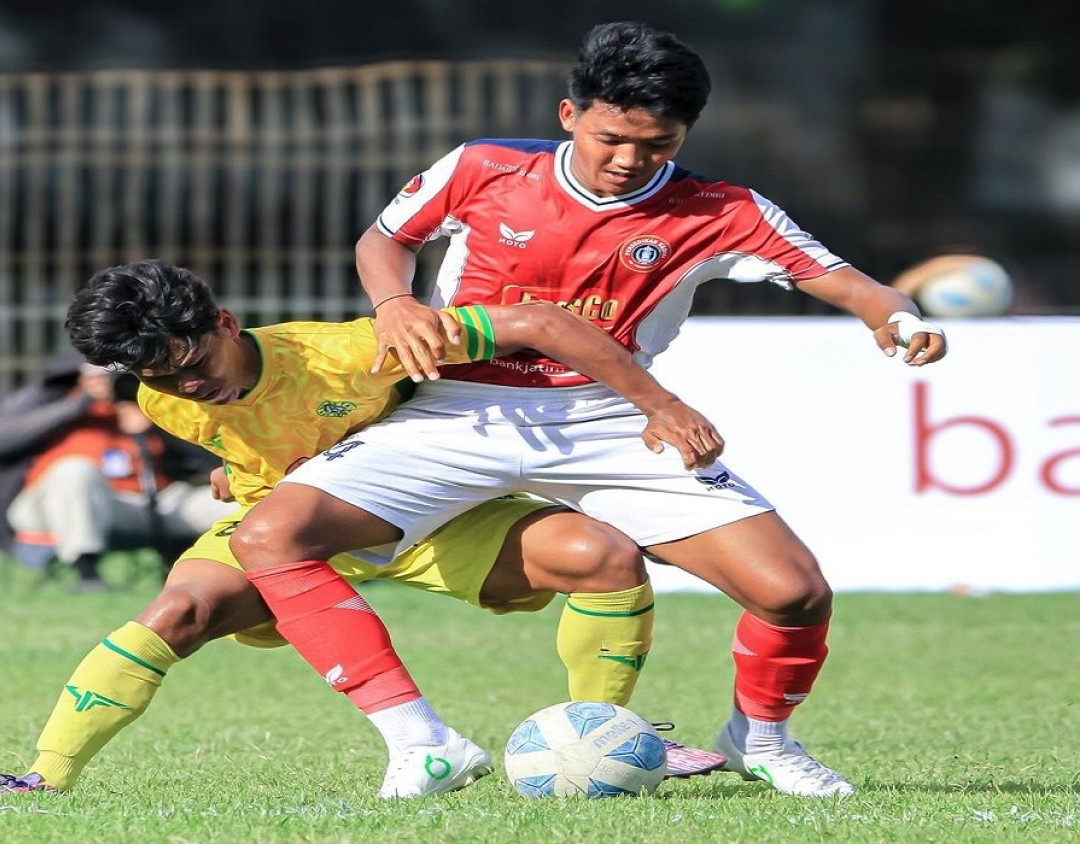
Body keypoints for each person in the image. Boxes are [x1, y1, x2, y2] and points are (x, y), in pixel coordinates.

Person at [226, 21, 949, 799]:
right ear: (570, 115)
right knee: (270, 537)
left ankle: (761, 739)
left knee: (793, 590)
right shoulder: (483, 166)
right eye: (612, 138)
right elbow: (384, 239)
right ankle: (421, 743)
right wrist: (397, 303)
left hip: (611, 417)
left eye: (657, 144)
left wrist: (896, 318)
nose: (629, 161)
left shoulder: (721, 209)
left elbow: (850, 282)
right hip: (456, 408)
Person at [0, 258, 727, 800]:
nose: (186, 387)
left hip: (426, 517)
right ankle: (44, 776)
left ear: (222, 322)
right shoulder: (164, 399)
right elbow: (249, 439)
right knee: (178, 611)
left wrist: (653, 404)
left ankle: (609, 737)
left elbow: (537, 323)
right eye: (158, 378)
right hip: (282, 533)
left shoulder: (349, 352)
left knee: (602, 555)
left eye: (190, 363)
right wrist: (237, 469)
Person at [0, 352, 226, 589]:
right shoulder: (52, 397)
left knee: (232, 501)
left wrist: (156, 426)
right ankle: (87, 573)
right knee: (76, 470)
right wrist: (80, 403)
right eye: (101, 374)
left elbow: (211, 456)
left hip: (145, 504)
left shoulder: (152, 405)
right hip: (48, 508)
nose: (110, 381)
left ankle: (244, 573)